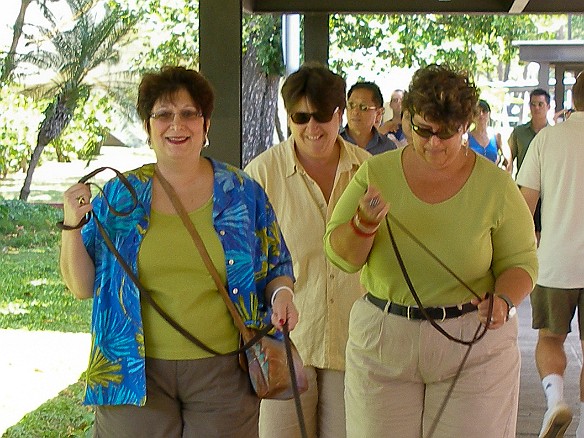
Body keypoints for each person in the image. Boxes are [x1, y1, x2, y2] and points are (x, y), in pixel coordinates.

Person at [59, 66, 298, 438]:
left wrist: (283, 294)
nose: (177, 124)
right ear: (148, 126)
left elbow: (277, 264)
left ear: (206, 126)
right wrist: (73, 227)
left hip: (224, 373)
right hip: (132, 372)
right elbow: (82, 286)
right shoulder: (120, 196)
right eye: (164, 114)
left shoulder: (242, 191)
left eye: (189, 114)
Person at [324, 64, 538, 438]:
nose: (433, 143)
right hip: (384, 338)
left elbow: (521, 262)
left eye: (447, 133)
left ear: (466, 127)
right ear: (405, 120)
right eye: (423, 130)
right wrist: (363, 224)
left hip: (473, 341)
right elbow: (341, 256)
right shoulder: (376, 172)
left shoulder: (496, 184)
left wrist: (504, 300)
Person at [245, 62, 371, 438]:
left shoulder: (369, 171)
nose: (312, 127)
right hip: (285, 343)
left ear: (340, 115)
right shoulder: (261, 175)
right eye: (301, 117)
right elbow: (245, 260)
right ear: (288, 117)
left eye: (322, 116)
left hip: (353, 343)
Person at [517, 71, 584, 438]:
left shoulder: (547, 139)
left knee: (550, 338)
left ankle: (555, 399)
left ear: (574, 100)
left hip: (555, 261)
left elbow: (524, 203)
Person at [508, 88, 550, 243]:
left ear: (548, 107)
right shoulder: (519, 132)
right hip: (523, 188)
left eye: (541, 104)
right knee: (523, 229)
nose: (537, 108)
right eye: (533, 104)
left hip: (547, 189)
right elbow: (509, 159)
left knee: (543, 230)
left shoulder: (553, 134)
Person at [340, 81, 398, 155]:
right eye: (351, 105)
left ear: (378, 113)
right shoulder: (334, 142)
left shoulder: (388, 149)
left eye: (363, 107)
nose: (355, 112)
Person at [467, 99, 508, 168]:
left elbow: (508, 161)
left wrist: (505, 176)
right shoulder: (467, 138)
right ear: (472, 116)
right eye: (477, 112)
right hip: (474, 177)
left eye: (484, 111)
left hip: (493, 177)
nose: (481, 115)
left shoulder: (497, 136)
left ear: (489, 114)